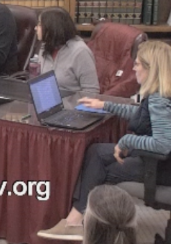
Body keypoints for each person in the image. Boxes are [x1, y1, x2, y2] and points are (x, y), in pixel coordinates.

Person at [38, 41, 171, 241]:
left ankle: (77, 222)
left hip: (160, 168)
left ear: (151, 69)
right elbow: (142, 116)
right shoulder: (161, 93)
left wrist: (126, 141)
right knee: (95, 151)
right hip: (157, 161)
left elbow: (163, 145)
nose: (134, 69)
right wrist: (105, 105)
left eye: (137, 64)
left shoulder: (159, 99)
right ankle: (77, 219)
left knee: (99, 171)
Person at [36, 7, 100, 93]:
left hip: (73, 101)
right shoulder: (45, 47)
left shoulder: (80, 52)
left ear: (52, 27)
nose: (35, 28)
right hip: (47, 99)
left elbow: (91, 91)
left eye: (39, 25)